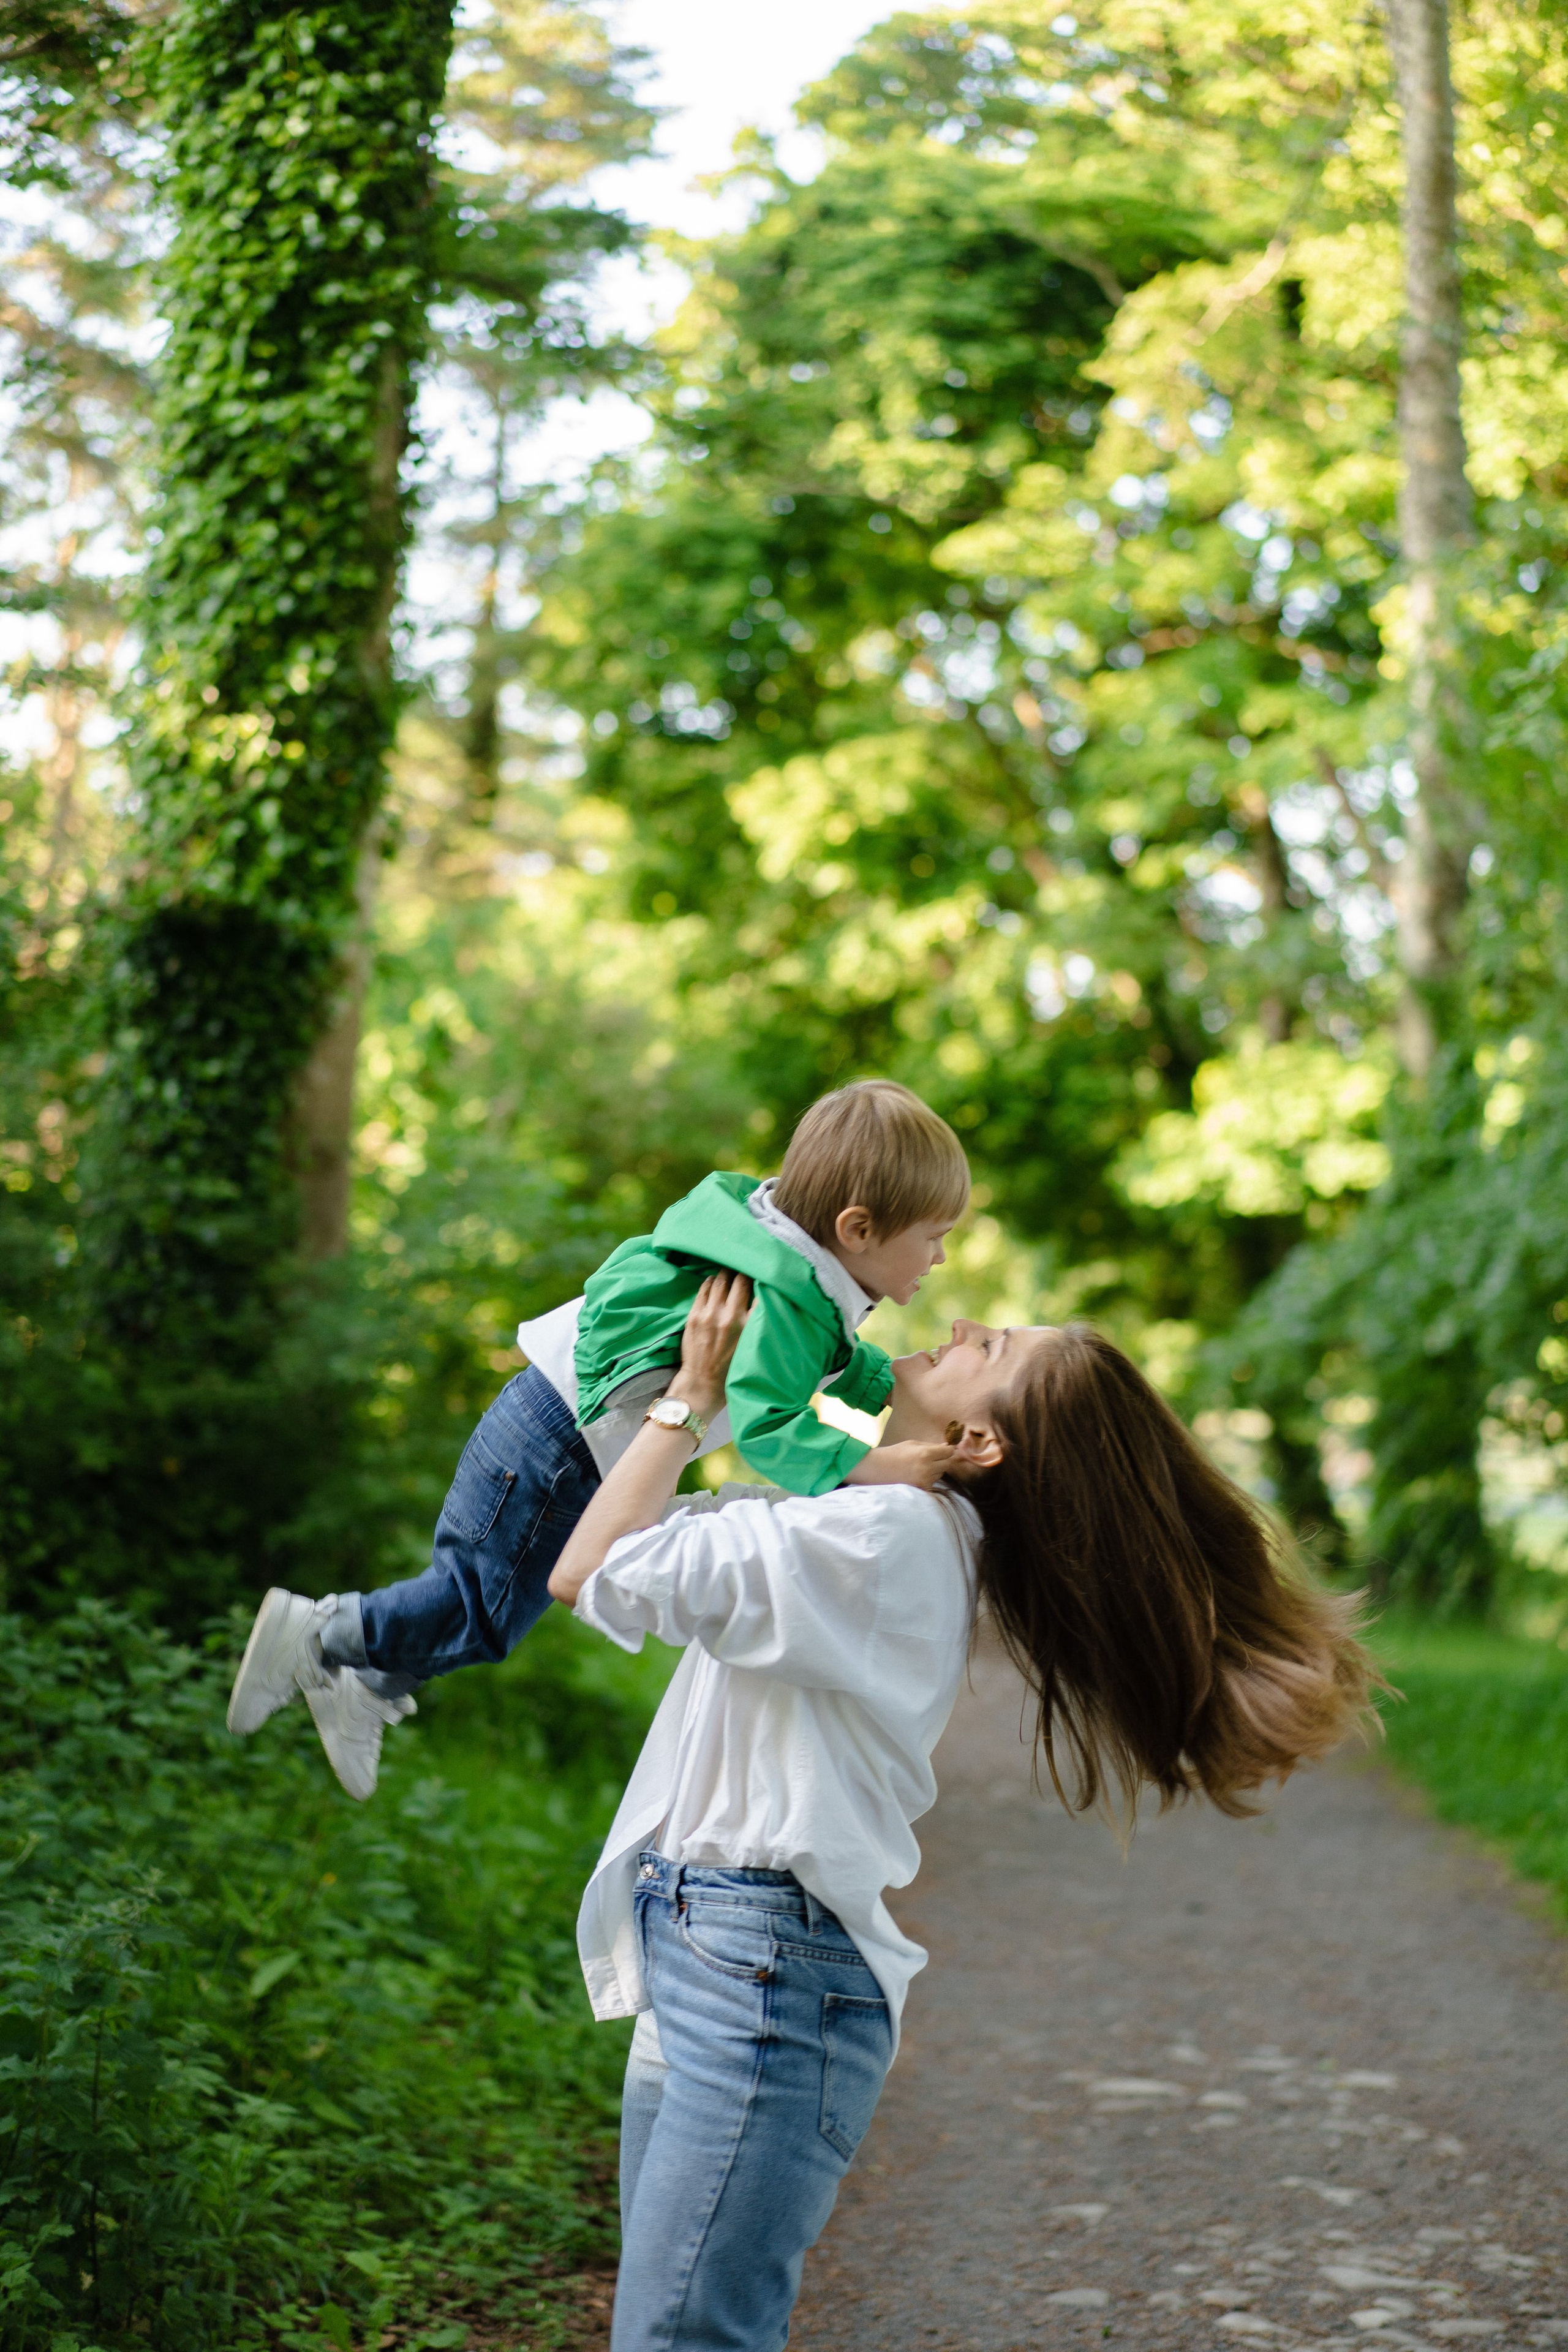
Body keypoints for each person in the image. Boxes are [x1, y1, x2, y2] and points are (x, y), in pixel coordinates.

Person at [548, 1275, 1376, 2352]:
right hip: (725, 1956)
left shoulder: (890, 1538)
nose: (955, 1325)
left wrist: (690, 1403)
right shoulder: (877, 1516)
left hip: (758, 1972)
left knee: (678, 2340)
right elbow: (643, 1522)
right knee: (671, 2332)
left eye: (987, 1345)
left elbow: (596, 1567)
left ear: (981, 1439)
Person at [225, 1080, 970, 1798]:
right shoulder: (788, 1299)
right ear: (857, 1229)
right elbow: (773, 1428)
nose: (938, 1258)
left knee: (487, 1603)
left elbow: (815, 1359)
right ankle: (319, 1634)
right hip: (560, 1449)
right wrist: (870, 1465)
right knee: (481, 1611)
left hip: (553, 1427)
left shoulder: (780, 1251)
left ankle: (367, 1681)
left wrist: (878, 1386)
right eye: (932, 1238)